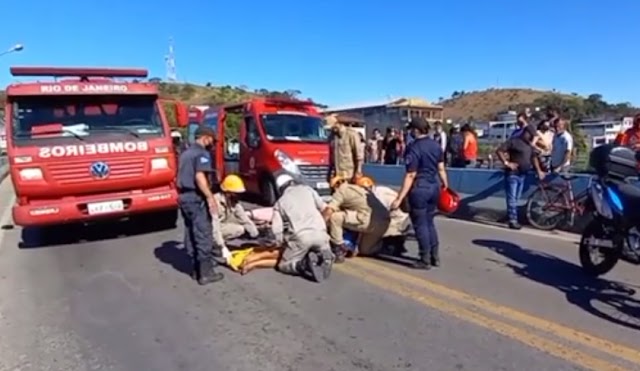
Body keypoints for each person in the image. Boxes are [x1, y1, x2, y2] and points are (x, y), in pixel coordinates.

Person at [238, 174, 334, 282]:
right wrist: (322, 226)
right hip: (321, 235)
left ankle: (301, 265)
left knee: (283, 265)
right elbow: (327, 210)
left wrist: (279, 243)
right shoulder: (308, 190)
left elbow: (277, 230)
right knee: (318, 246)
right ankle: (325, 255)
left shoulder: (280, 203)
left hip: (301, 238)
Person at [390, 117, 449, 270]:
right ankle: (435, 256)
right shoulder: (436, 146)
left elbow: (410, 175)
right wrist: (445, 184)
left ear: (416, 130)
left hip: (420, 188)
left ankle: (424, 259)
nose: (410, 132)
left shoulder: (413, 147)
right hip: (434, 186)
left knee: (420, 224)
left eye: (411, 130)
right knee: (429, 222)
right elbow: (441, 168)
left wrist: (399, 198)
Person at [176, 126, 224, 285]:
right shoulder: (201, 153)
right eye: (212, 140)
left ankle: (195, 270)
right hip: (196, 198)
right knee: (203, 233)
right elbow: (199, 177)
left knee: (190, 232)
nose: (212, 143)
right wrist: (210, 197)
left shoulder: (185, 154)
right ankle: (206, 273)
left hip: (184, 197)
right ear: (206, 137)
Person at [323, 176, 391, 262]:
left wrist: (320, 225)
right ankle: (388, 244)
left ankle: (338, 249)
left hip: (368, 219)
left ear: (335, 186)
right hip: (383, 222)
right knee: (365, 250)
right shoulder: (360, 189)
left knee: (335, 217)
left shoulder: (341, 190)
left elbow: (329, 211)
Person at [495, 124, 537, 230]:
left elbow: (533, 158)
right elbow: (499, 150)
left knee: (516, 198)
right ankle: (513, 220)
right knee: (512, 199)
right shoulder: (514, 141)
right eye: (530, 135)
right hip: (513, 174)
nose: (532, 137)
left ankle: (511, 217)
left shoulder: (529, 146)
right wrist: (506, 163)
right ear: (526, 133)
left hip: (523, 175)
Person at [356, 176, 410, 256]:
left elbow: (382, 213)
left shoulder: (378, 194)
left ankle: (391, 245)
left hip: (398, 217)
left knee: (379, 230)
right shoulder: (379, 190)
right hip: (398, 215)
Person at [212, 174, 260, 257]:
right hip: (209, 230)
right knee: (238, 229)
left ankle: (218, 243)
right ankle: (213, 245)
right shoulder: (215, 202)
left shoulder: (233, 201)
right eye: (236, 193)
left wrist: (256, 235)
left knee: (242, 227)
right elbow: (214, 227)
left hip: (222, 225)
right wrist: (222, 246)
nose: (238, 195)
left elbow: (244, 218)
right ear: (228, 192)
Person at [326, 114, 363, 183]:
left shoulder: (351, 135)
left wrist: (358, 172)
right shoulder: (332, 137)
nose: (332, 129)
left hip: (349, 175)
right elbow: (331, 157)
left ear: (338, 124)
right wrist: (329, 172)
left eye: (333, 127)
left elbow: (359, 156)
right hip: (336, 175)